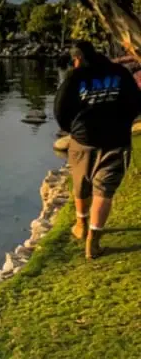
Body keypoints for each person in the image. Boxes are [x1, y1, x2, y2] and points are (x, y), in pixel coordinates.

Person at [54, 40, 141, 259]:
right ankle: (93, 241)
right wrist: (124, 123)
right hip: (116, 139)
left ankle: (81, 224)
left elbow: (60, 109)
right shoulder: (119, 72)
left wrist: (72, 130)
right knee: (104, 188)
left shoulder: (74, 77)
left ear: (77, 59)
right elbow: (136, 102)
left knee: (81, 182)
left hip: (83, 139)